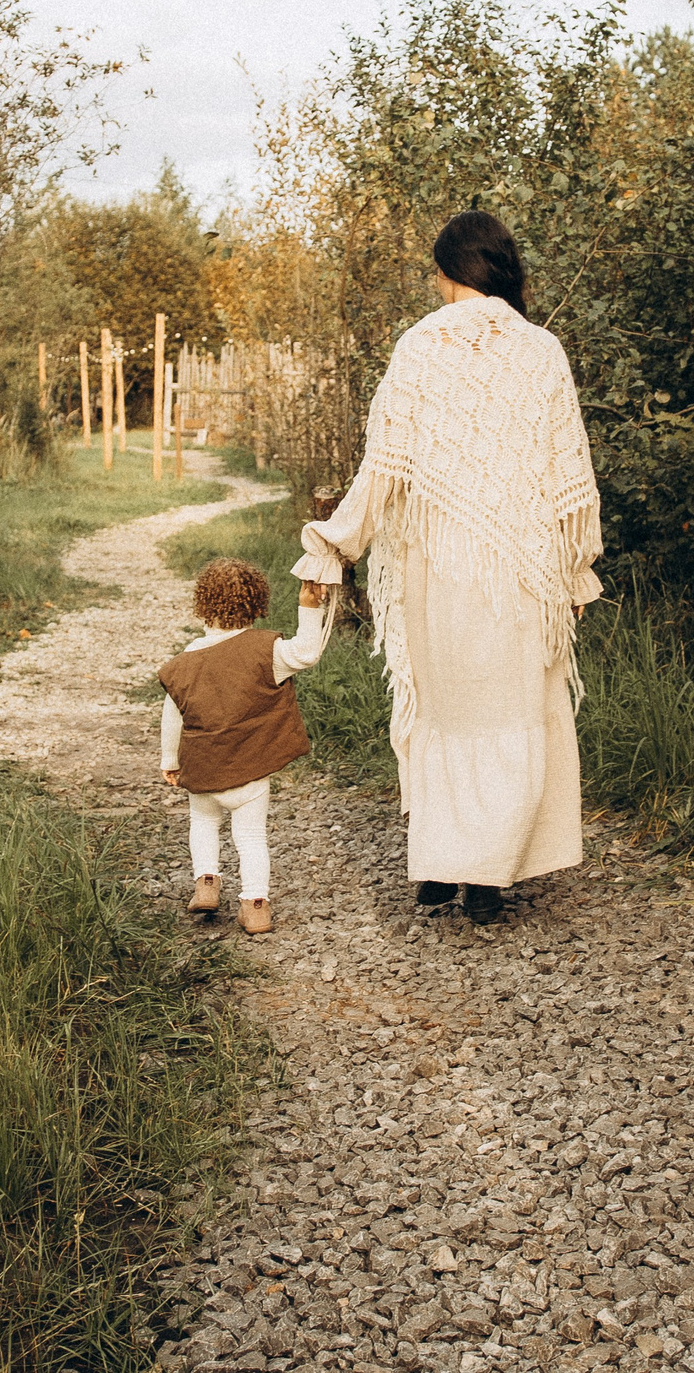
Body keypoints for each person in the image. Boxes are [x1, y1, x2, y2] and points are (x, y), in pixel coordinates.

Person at [292, 210, 601, 925]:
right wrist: (577, 568)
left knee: (442, 710)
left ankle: (440, 867)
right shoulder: (542, 349)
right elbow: (570, 476)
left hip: (440, 567)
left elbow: (384, 468)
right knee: (511, 711)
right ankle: (487, 877)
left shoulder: (419, 345)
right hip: (525, 572)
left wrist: (336, 541)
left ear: (446, 271)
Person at [160, 559, 331, 935]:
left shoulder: (185, 660)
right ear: (257, 605)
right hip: (250, 769)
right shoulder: (265, 650)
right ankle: (255, 907)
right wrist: (309, 606)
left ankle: (206, 883)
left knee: (203, 822)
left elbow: (172, 715)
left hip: (203, 768)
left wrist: (170, 759)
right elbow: (307, 653)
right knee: (251, 836)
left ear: (202, 605)